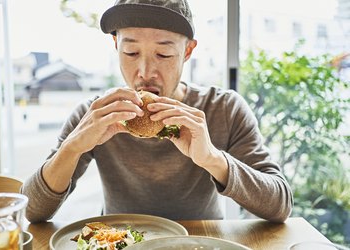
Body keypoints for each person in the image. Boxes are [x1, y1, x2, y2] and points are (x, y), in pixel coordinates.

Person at [22, 0, 293, 223]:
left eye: (163, 55)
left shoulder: (224, 109)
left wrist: (212, 158)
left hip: (201, 243)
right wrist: (71, 149)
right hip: (122, 241)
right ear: (116, 46)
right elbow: (31, 212)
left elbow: (280, 206)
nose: (145, 73)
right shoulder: (96, 114)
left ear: (187, 51)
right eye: (130, 52)